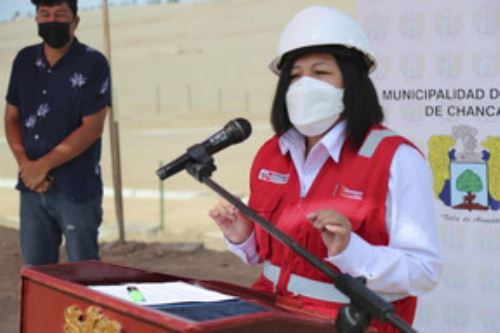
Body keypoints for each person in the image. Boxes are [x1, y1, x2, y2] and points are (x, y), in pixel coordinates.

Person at [209, 6, 442, 331]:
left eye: (320, 73)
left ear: (353, 81)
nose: (305, 85)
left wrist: (352, 251)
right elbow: (272, 258)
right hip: (272, 318)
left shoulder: (396, 158)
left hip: (355, 325)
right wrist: (244, 239)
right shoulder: (271, 154)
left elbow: (423, 272)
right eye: (295, 75)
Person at [4, 0, 111, 265]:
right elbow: (11, 118)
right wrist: (27, 166)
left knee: (83, 273)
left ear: (75, 21)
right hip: (32, 189)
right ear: (37, 20)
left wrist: (42, 166)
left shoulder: (92, 63)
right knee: (38, 275)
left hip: (77, 188)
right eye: (45, 14)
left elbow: (92, 128)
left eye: (60, 14)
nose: (52, 20)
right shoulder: (24, 60)